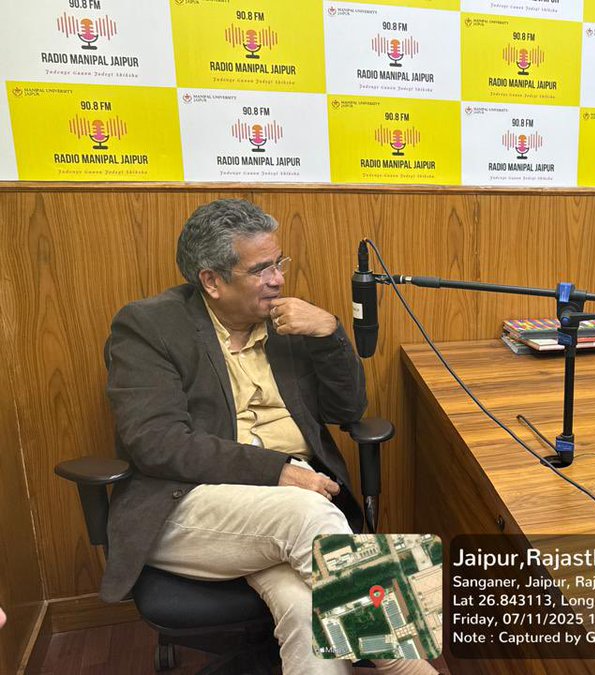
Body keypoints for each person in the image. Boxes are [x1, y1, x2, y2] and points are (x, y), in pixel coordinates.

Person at [102, 199, 433, 674]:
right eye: (260, 269)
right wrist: (276, 471)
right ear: (212, 280)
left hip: (280, 517)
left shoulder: (287, 323)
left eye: (279, 263)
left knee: (305, 606)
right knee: (306, 515)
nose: (277, 279)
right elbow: (157, 442)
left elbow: (347, 411)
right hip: (189, 505)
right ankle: (408, 666)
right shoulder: (150, 326)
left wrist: (330, 334)